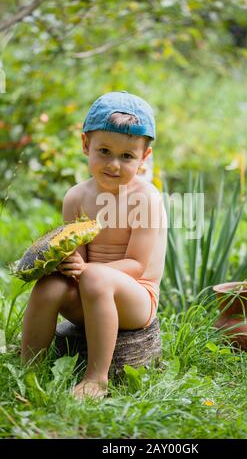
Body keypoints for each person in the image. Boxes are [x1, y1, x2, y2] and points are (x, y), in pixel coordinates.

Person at [21, 91, 168, 400]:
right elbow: (77, 261)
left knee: (96, 277)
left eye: (127, 156)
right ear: (86, 144)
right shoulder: (76, 197)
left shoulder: (145, 199)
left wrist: (86, 270)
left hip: (136, 298)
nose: (114, 164)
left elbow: (137, 265)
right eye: (104, 151)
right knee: (50, 286)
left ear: (144, 157)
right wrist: (64, 262)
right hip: (89, 293)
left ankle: (96, 378)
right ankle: (27, 369)